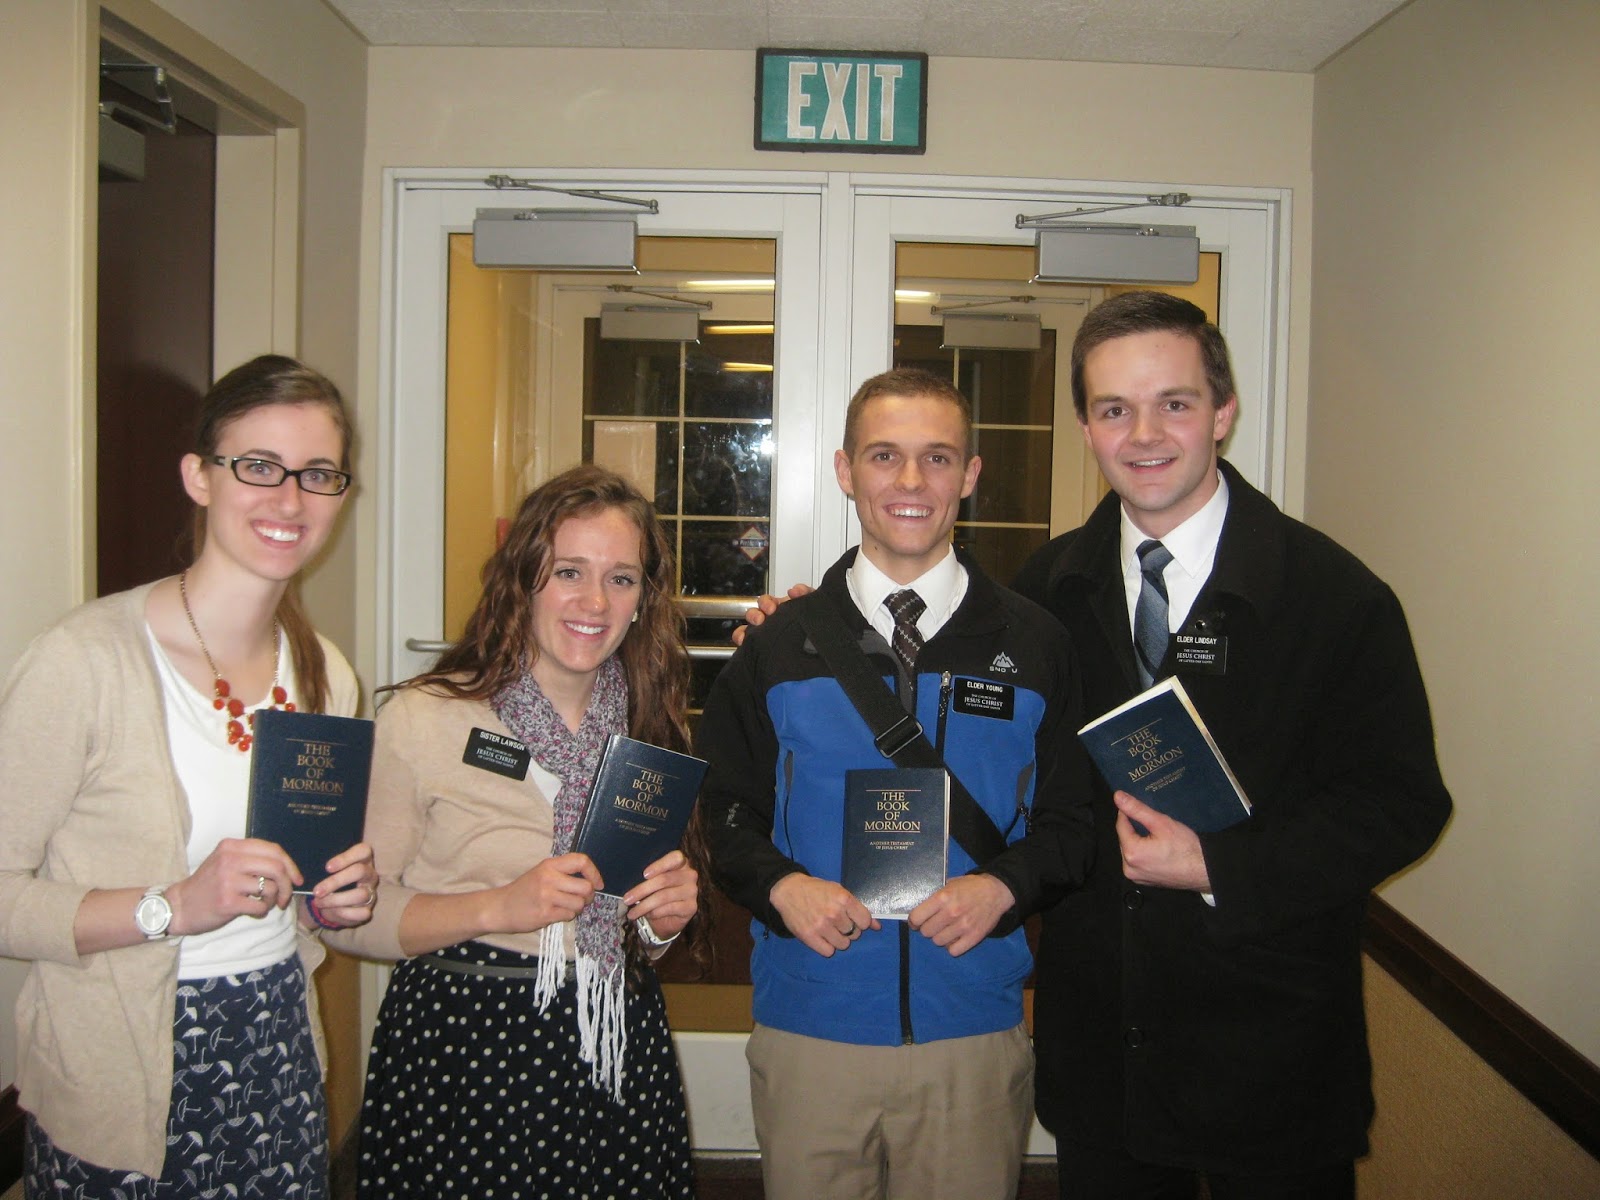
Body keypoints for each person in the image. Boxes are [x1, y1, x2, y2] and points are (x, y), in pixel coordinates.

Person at [1011, 291, 1453, 1198]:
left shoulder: (1334, 597)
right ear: (1086, 429)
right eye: (1113, 409)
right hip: (1103, 1055)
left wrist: (1220, 866)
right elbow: (962, 712)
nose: (1144, 435)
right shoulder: (1045, 589)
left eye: (1173, 403)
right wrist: (818, 625)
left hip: (1271, 1053)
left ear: (1223, 412)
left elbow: (1401, 804)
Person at [698, 368, 1095, 1200]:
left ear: (970, 475)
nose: (911, 481)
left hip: (970, 1029)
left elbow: (1073, 823)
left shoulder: (1036, 645)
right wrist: (784, 889)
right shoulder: (780, 644)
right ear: (845, 471)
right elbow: (726, 812)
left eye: (937, 458)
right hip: (813, 1024)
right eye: (885, 456)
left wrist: (1002, 888)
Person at [0, 354, 379, 1199]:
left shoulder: (327, 675)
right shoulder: (83, 661)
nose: (290, 500)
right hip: (121, 1070)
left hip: (276, 1048)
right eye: (259, 467)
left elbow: (297, 890)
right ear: (199, 477)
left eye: (317, 473)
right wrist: (172, 905)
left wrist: (329, 896)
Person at [331, 464, 703, 1200]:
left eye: (621, 579)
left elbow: (632, 928)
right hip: (465, 1046)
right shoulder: (425, 718)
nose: (594, 601)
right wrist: (498, 907)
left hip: (615, 1040)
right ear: (523, 579)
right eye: (569, 571)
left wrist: (661, 922)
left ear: (643, 600)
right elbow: (349, 916)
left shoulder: (648, 726)